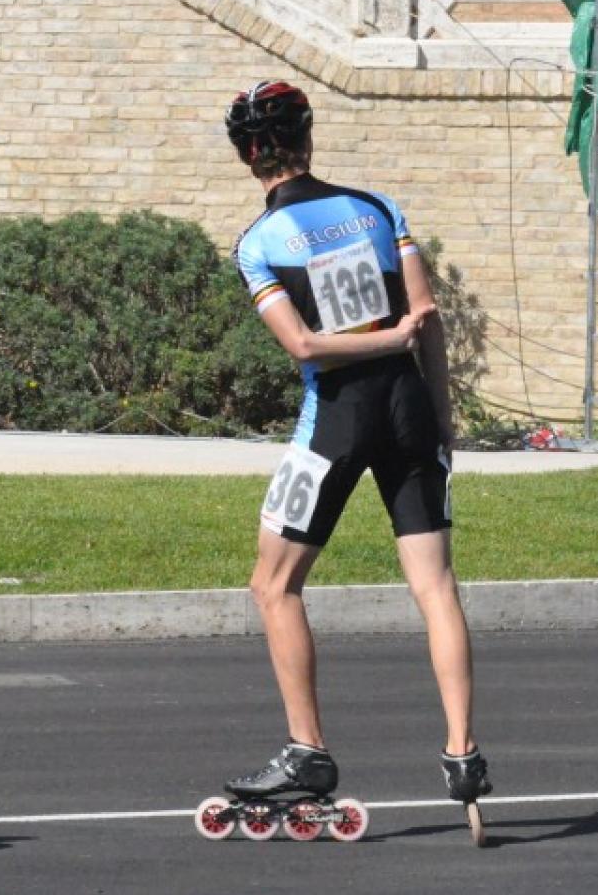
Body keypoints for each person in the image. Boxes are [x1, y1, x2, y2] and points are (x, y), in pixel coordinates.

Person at [221, 81, 491, 811]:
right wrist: (443, 415)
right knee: (436, 586)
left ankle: (307, 752)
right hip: (409, 406)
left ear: (248, 157)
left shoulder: (259, 243)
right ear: (307, 140)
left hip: (337, 416)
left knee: (274, 585)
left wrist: (382, 341)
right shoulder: (376, 208)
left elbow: (305, 346)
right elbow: (427, 316)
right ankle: (463, 752)